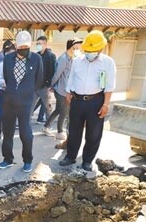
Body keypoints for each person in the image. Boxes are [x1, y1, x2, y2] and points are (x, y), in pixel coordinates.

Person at [59, 30, 116, 172]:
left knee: (93, 133)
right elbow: (72, 77)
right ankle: (70, 156)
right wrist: (68, 92)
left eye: (93, 50)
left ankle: (87, 160)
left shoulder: (108, 63)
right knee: (74, 131)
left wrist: (105, 104)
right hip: (77, 101)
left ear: (100, 49)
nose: (90, 53)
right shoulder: (78, 61)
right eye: (88, 50)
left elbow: (109, 85)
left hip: (96, 101)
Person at [0, 31, 43, 173]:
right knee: (8, 132)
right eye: (21, 46)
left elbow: (39, 79)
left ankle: (27, 160)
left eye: (26, 46)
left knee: (25, 133)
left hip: (26, 102)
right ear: (16, 45)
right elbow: (6, 76)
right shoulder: (9, 58)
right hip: (9, 101)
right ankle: (7, 159)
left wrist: (27, 91)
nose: (24, 49)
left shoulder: (36, 59)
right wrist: (13, 90)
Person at [42, 39, 82, 140]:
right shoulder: (63, 59)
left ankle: (46, 126)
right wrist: (51, 86)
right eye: (77, 48)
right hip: (61, 90)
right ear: (71, 47)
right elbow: (57, 74)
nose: (79, 49)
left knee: (59, 110)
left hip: (67, 90)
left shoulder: (72, 58)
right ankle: (60, 132)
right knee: (64, 112)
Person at [32, 36, 56, 123]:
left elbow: (52, 71)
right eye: (37, 44)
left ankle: (48, 125)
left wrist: (50, 85)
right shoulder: (35, 55)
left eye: (40, 44)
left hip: (45, 86)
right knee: (30, 106)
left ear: (45, 44)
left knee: (47, 107)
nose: (38, 45)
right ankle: (25, 123)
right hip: (35, 86)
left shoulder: (50, 56)